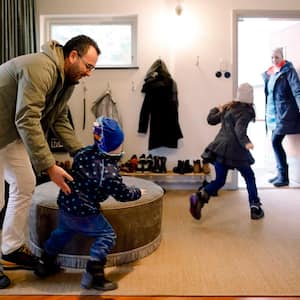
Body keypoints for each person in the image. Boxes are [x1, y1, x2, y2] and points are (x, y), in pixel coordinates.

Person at [0, 34, 101, 288]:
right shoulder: (41, 68)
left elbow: (57, 120)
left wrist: (81, 153)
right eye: (88, 66)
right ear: (73, 56)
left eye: (93, 69)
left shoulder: (66, 81)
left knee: (24, 183)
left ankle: (10, 248)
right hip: (8, 128)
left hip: (7, 132)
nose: (89, 73)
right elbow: (27, 118)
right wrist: (49, 166)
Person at [34, 116, 143, 291]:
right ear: (112, 146)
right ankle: (95, 274)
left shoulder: (83, 153)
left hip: (66, 204)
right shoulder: (109, 172)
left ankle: (44, 262)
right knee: (107, 236)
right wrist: (138, 192)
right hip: (85, 212)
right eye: (119, 144)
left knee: (62, 233)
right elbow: (122, 194)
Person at [189, 83, 264, 221]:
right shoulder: (246, 111)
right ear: (251, 98)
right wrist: (246, 142)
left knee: (220, 180)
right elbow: (239, 130)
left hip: (219, 148)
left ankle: (200, 196)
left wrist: (216, 108)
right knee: (249, 177)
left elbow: (211, 120)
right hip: (236, 150)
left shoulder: (229, 107)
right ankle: (255, 207)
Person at [262, 47, 300, 187]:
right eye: (272, 57)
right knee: (275, 143)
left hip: (285, 113)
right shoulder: (271, 73)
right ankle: (280, 174)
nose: (274, 60)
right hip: (273, 115)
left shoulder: (288, 71)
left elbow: (297, 90)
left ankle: (283, 177)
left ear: (282, 57)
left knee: (275, 142)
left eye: (277, 57)